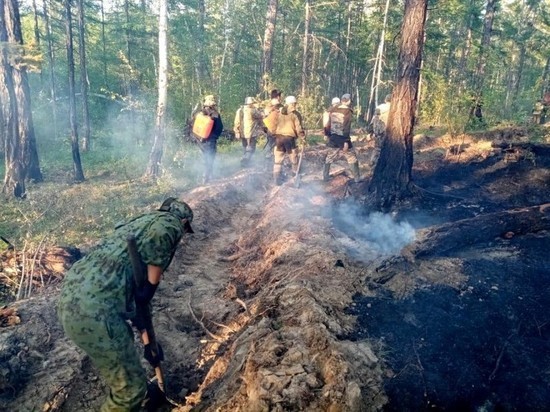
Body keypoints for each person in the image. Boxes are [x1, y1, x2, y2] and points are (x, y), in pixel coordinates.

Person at [57, 198, 195, 412]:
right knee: (130, 391)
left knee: (126, 364)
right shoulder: (169, 223)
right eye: (185, 230)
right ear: (184, 221)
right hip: (96, 312)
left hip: (74, 296)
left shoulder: (138, 224)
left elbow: (139, 310)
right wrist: (151, 285)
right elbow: (161, 235)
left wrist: (149, 344)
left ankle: (147, 394)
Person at [323, 93, 360, 183]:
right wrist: (346, 141)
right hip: (342, 138)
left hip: (333, 136)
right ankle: (357, 179)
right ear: (348, 100)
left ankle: (325, 177)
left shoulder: (332, 109)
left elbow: (328, 123)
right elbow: (346, 127)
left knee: (329, 157)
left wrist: (327, 134)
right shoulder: (348, 111)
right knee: (351, 157)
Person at [272, 95, 305, 185]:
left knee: (278, 160)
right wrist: (302, 137)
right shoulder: (295, 114)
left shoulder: (279, 112)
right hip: (289, 139)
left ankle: (276, 181)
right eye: (295, 103)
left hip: (279, 138)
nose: (295, 105)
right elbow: (298, 128)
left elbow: (273, 124)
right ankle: (295, 180)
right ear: (293, 103)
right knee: (293, 159)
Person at [191, 95, 223, 183]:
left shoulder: (199, 113)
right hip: (210, 141)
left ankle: (201, 177)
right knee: (210, 158)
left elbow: (194, 126)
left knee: (203, 158)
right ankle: (207, 178)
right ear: (213, 104)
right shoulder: (215, 114)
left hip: (199, 140)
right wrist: (215, 137)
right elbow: (219, 128)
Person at [234, 97, 264, 167]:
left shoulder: (239, 110)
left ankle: (246, 162)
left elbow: (236, 122)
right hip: (251, 133)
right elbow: (261, 116)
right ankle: (246, 161)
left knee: (245, 147)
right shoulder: (253, 110)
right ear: (251, 104)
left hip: (243, 133)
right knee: (251, 148)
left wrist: (237, 131)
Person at [369, 94, 391, 170]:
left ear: (385, 100)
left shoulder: (379, 107)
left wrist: (371, 130)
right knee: (387, 148)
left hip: (378, 131)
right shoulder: (393, 108)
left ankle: (372, 162)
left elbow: (373, 119)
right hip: (388, 130)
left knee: (377, 148)